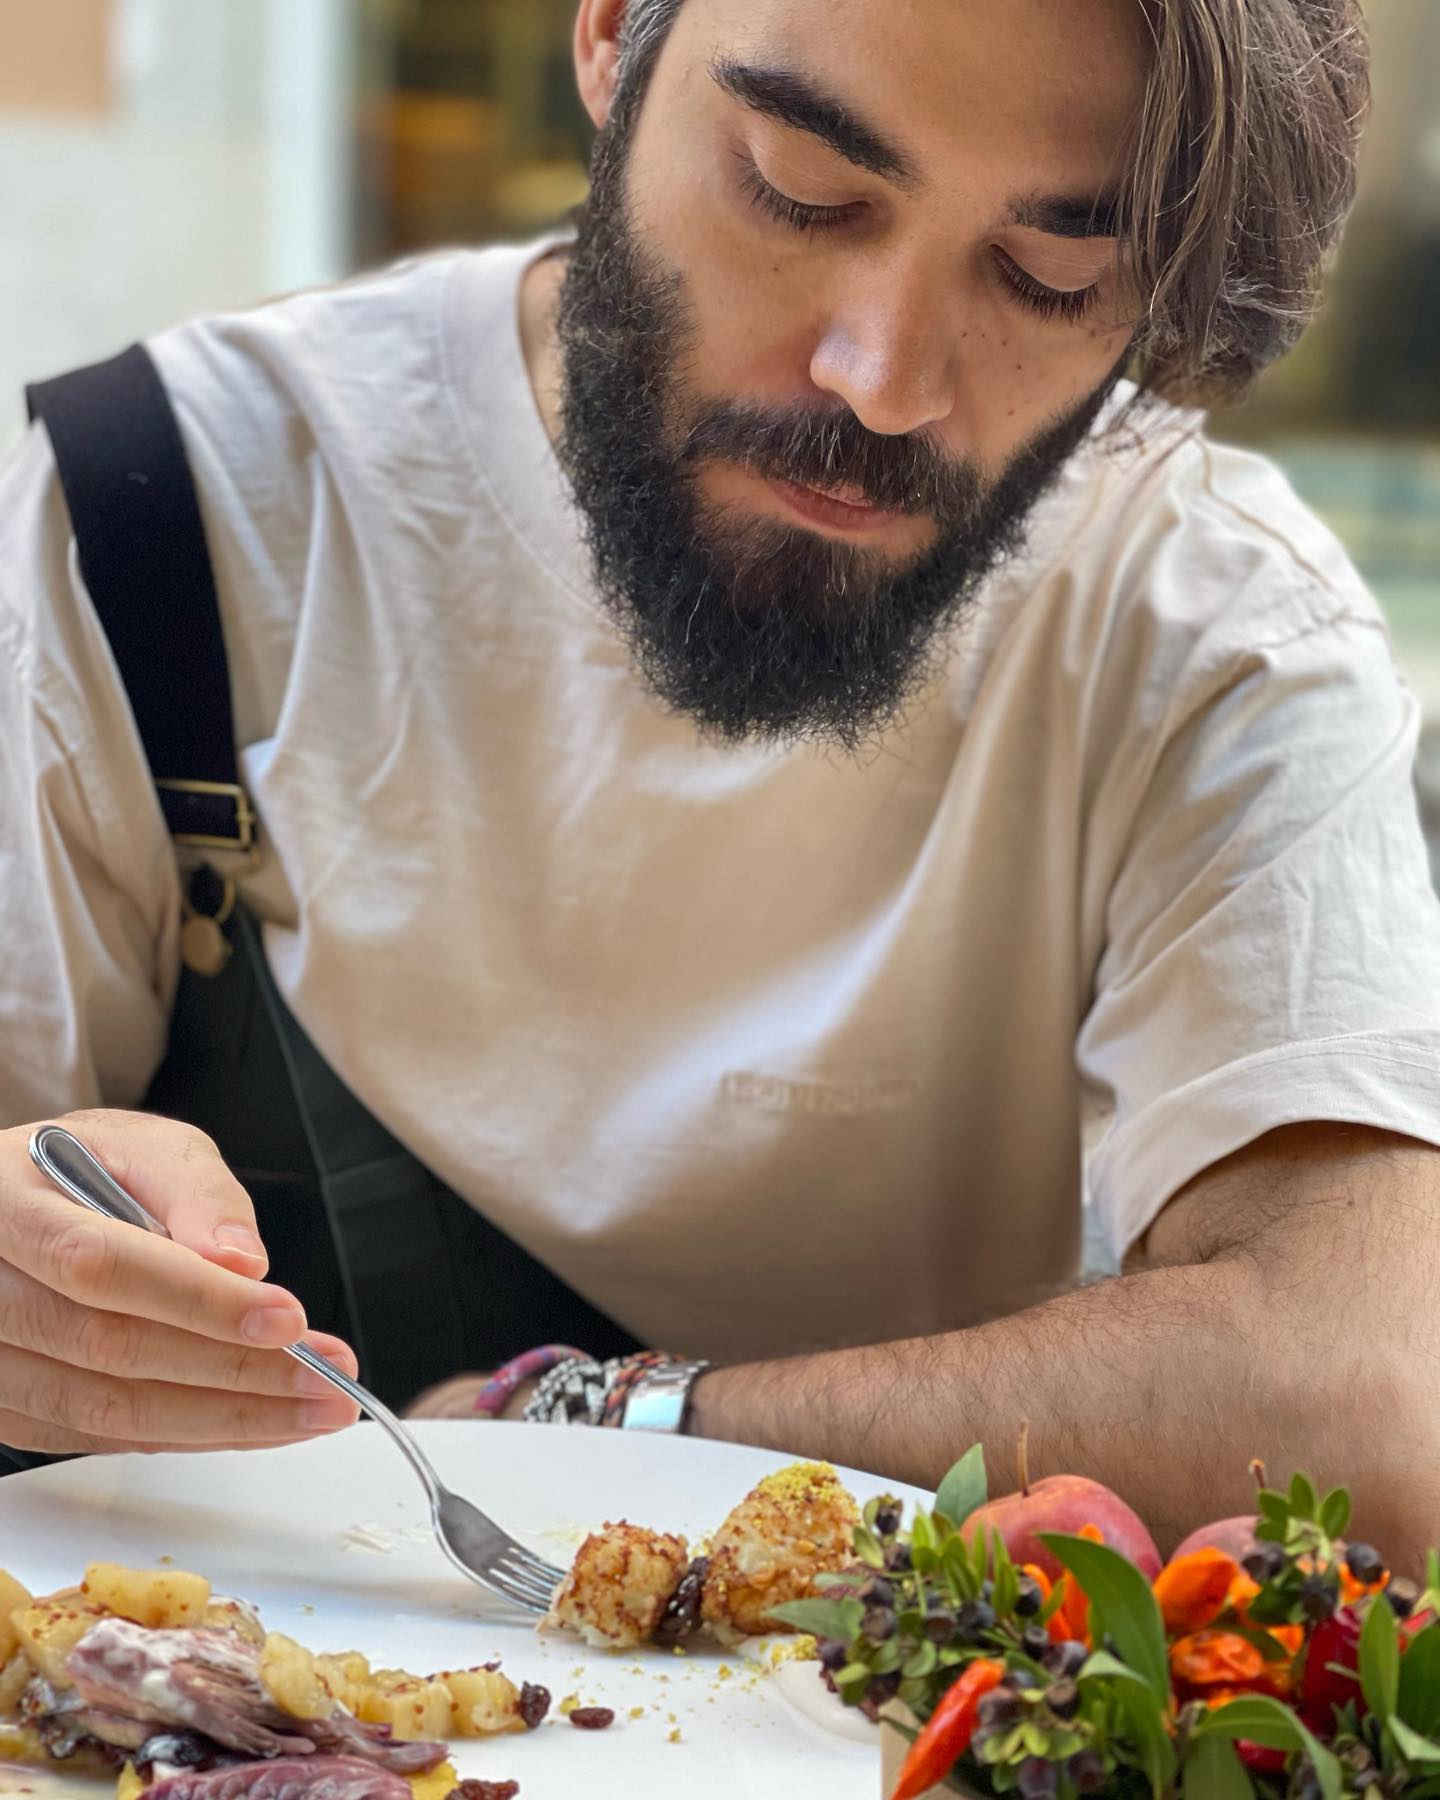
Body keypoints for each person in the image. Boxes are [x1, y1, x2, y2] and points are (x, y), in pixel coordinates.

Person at [4, 0, 1438, 1559]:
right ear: (614, 34)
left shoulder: (1204, 621)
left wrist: (605, 1420)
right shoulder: (148, 522)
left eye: (1052, 277)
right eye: (800, 186)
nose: (884, 381)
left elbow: (1365, 1400)